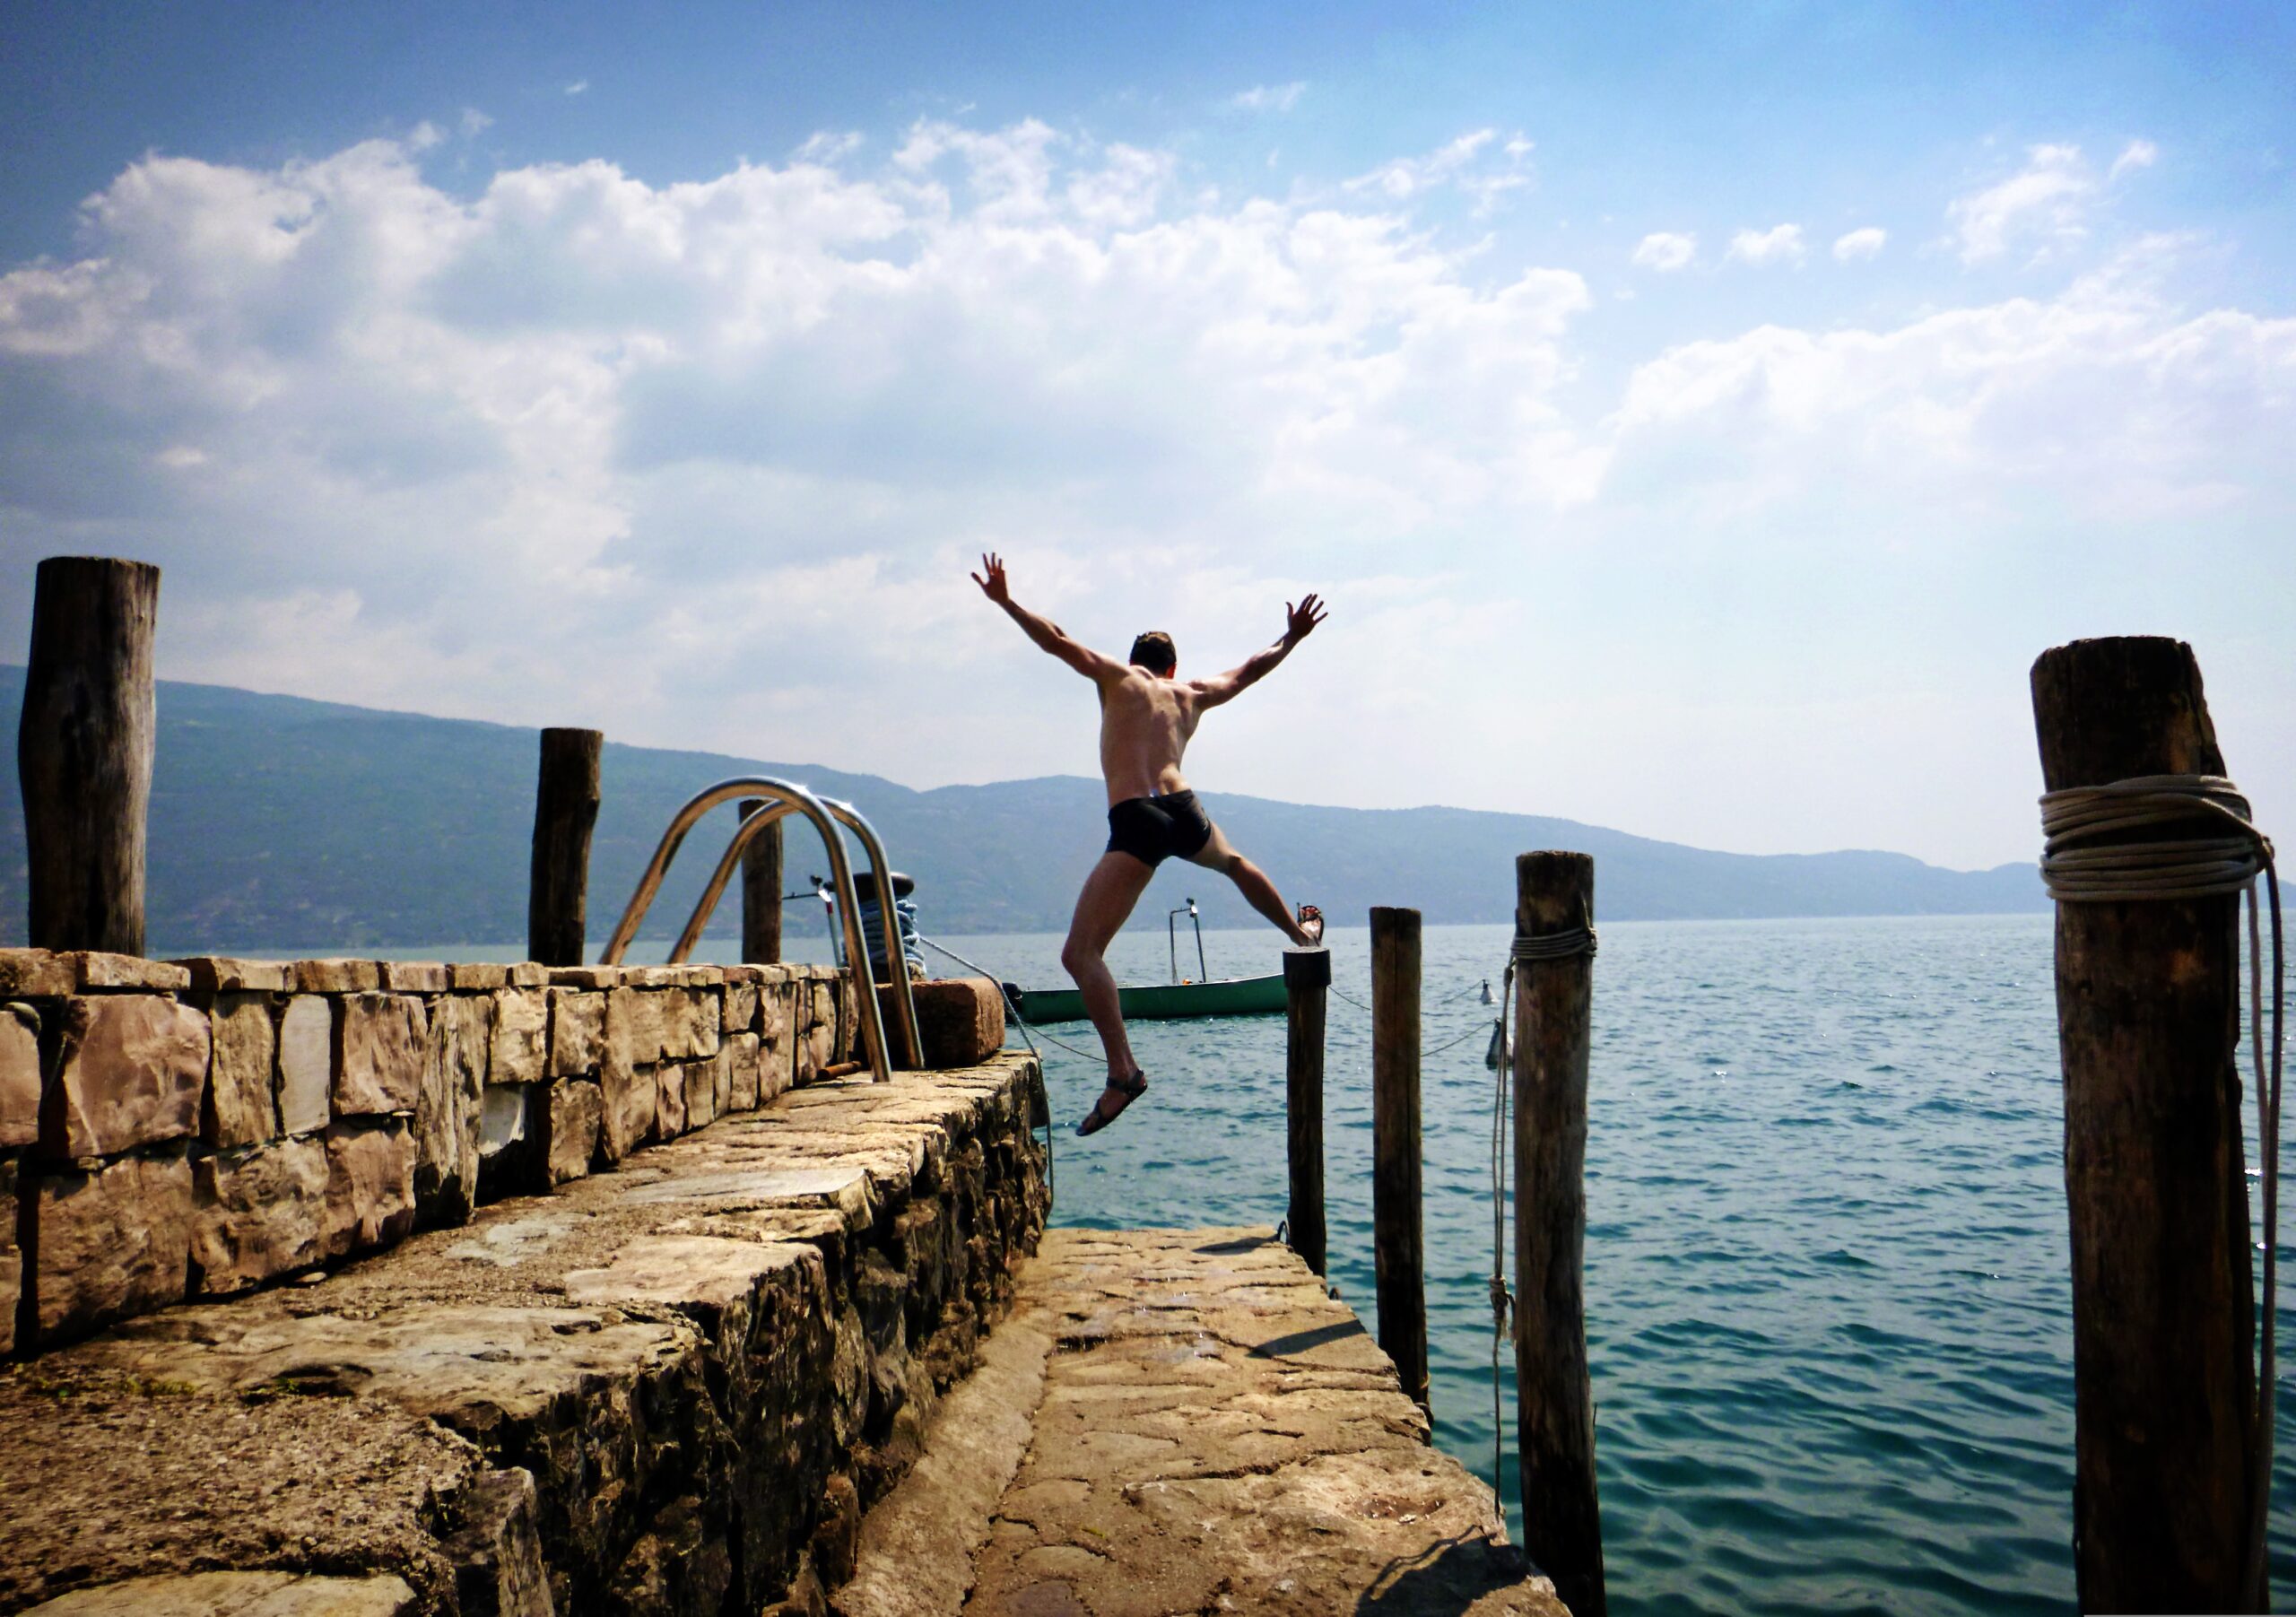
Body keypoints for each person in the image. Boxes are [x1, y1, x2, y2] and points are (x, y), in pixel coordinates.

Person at [970, 551, 1326, 1136]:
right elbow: (1248, 671)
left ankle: (1123, 1072)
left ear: (1138, 663)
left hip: (1138, 816)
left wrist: (1007, 602)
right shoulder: (1189, 694)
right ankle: (1301, 932)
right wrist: (1290, 638)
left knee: (1079, 955)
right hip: (1183, 809)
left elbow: (1057, 640)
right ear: (1173, 666)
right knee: (1235, 863)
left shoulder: (1118, 677)